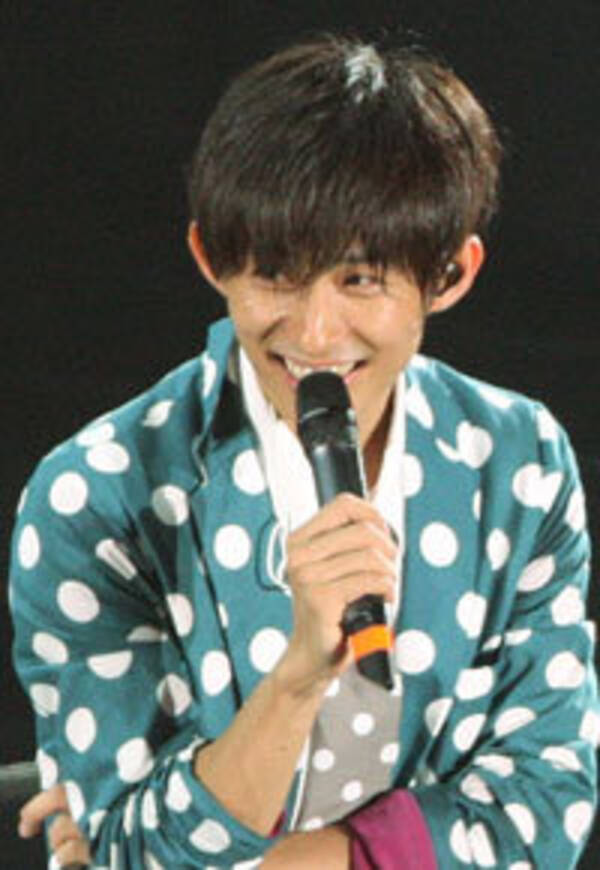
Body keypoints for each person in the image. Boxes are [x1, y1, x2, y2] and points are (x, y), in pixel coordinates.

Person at [11, 33, 599, 870]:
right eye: (277, 275)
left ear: (450, 274)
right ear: (211, 259)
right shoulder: (99, 493)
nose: (317, 335)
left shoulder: (520, 462)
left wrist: (307, 859)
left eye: (361, 280)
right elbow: (129, 847)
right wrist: (297, 675)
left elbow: (546, 805)